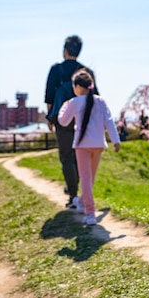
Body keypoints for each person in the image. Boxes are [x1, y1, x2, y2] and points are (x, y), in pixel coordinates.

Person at [58, 69, 120, 226]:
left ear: (78, 86)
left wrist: (64, 107)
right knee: (90, 178)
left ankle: (90, 212)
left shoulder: (74, 102)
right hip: (98, 144)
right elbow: (109, 121)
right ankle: (81, 201)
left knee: (85, 178)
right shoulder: (101, 101)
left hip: (82, 146)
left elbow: (63, 121)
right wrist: (116, 140)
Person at [45, 35, 96, 208]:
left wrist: (50, 117)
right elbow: (95, 98)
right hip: (83, 120)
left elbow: (49, 97)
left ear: (65, 50)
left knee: (67, 156)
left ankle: (73, 194)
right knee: (80, 156)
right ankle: (80, 190)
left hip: (63, 120)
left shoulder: (56, 70)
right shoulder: (87, 71)